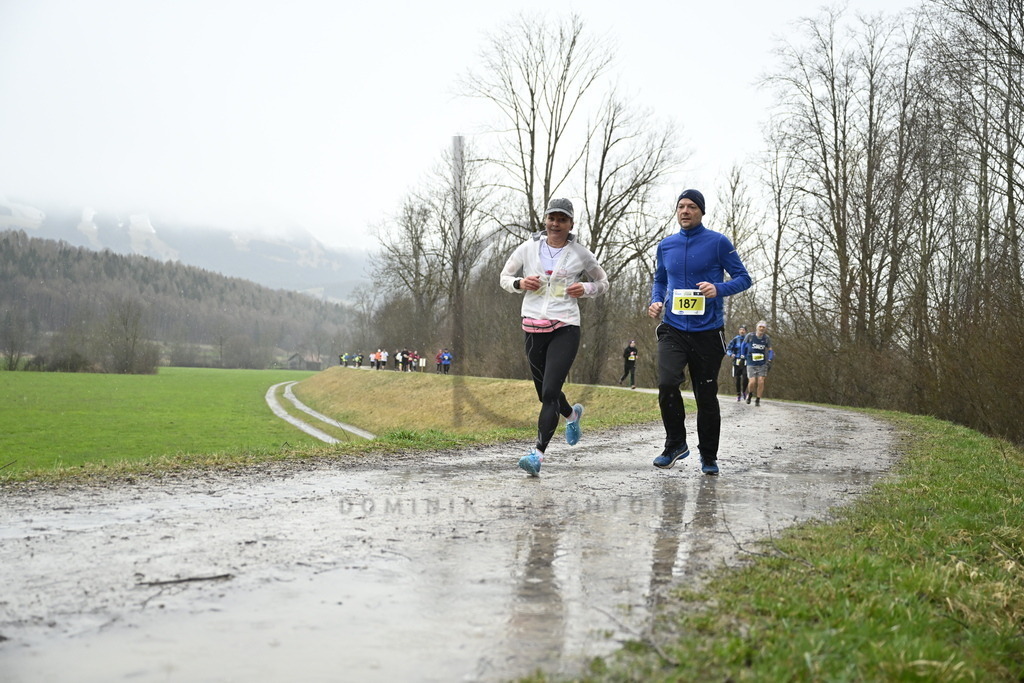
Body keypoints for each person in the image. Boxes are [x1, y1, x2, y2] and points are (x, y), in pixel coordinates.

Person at [501, 197, 609, 476]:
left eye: (562, 219)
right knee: (544, 393)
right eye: (552, 218)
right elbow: (504, 277)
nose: (556, 224)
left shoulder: (580, 253)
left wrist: (585, 288)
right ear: (545, 220)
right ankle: (572, 414)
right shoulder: (528, 248)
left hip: (566, 327)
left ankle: (537, 456)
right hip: (532, 327)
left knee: (550, 392)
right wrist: (520, 283)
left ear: (571, 224)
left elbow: (602, 282)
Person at [648, 189, 752, 476]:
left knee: (705, 395)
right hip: (673, 328)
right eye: (681, 206)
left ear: (701, 211)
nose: (685, 211)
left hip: (708, 331)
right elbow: (660, 280)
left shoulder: (718, 242)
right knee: (667, 383)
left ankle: (708, 455)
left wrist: (718, 288)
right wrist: (655, 301)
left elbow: (744, 278)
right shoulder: (666, 245)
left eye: (692, 206)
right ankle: (675, 444)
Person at [743, 320, 774, 406]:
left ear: (765, 329)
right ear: (757, 327)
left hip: (762, 363)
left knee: (761, 381)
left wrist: (770, 359)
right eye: (760, 327)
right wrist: (743, 356)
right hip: (751, 362)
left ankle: (758, 399)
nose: (761, 328)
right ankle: (750, 394)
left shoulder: (766, 338)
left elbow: (770, 350)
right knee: (752, 382)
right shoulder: (750, 336)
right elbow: (743, 346)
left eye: (763, 327)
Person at [726, 325, 749, 401]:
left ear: (745, 331)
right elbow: (728, 349)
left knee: (745, 376)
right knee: (737, 378)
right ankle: (738, 394)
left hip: (745, 360)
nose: (742, 331)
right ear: (739, 331)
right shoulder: (735, 339)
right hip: (737, 361)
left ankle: (744, 391)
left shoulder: (748, 339)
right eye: (740, 330)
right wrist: (731, 354)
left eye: (743, 330)